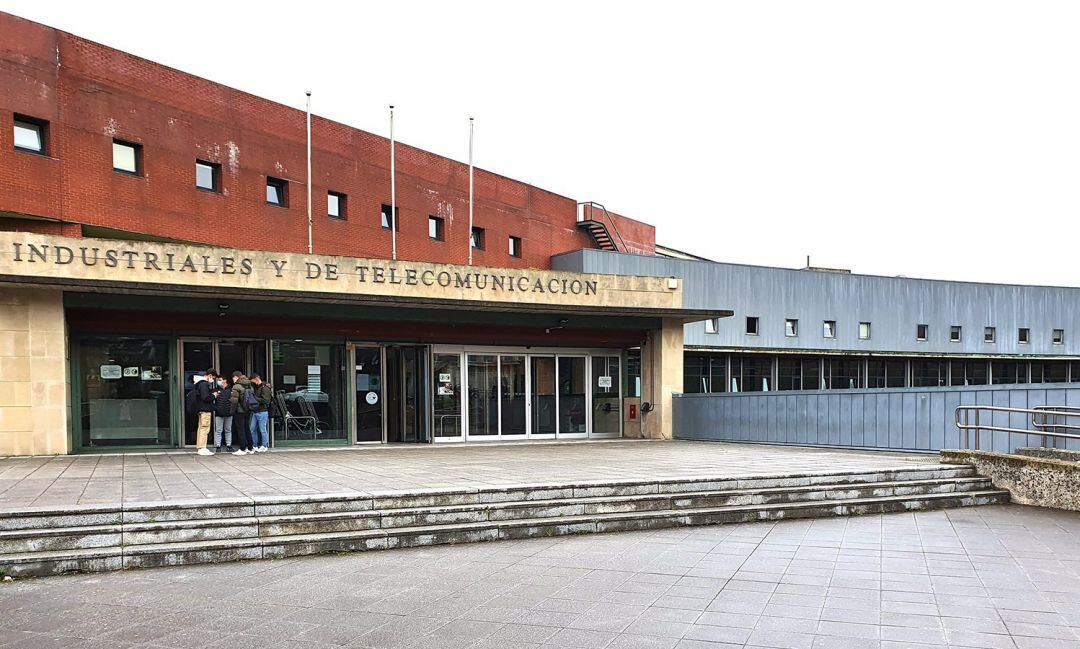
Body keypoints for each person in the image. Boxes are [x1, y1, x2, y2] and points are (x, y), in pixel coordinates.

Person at [230, 371, 255, 455]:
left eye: (233, 377)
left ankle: (242, 448)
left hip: (239, 411)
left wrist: (232, 411)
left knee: (240, 429)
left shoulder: (236, 386)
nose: (232, 379)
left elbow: (234, 401)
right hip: (248, 410)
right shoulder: (249, 385)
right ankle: (250, 447)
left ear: (236, 377)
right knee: (247, 428)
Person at [248, 373, 274, 452]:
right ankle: (255, 445)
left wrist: (255, 398)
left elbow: (266, 400)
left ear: (256, 379)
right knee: (252, 429)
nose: (252, 383)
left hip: (262, 411)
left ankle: (264, 445)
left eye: (253, 381)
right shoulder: (258, 387)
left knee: (262, 429)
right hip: (256, 411)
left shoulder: (264, 388)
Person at [194, 369, 217, 456]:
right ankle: (202, 447)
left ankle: (200, 446)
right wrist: (213, 396)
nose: (213, 380)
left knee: (201, 428)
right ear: (210, 375)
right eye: (213, 378)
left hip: (201, 409)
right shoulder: (204, 384)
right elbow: (205, 397)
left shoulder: (199, 383)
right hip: (205, 409)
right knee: (205, 428)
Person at [212, 374, 233, 453]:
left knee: (228, 430)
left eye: (220, 380)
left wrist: (231, 410)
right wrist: (216, 408)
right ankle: (218, 446)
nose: (219, 381)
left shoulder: (230, 390)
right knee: (219, 430)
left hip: (229, 413)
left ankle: (229, 445)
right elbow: (211, 400)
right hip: (219, 413)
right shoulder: (216, 390)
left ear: (225, 380)